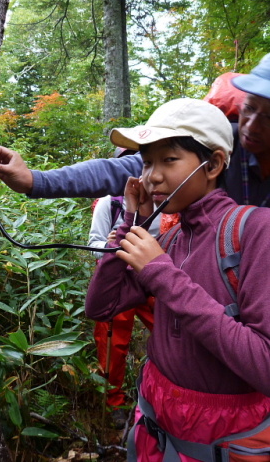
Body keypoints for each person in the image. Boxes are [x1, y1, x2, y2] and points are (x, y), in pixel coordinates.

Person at [85, 97, 270, 461]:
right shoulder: (170, 238)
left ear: (214, 164)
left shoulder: (256, 231)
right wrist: (129, 222)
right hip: (156, 423)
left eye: (169, 160)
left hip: (220, 437)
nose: (152, 176)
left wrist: (161, 273)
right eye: (147, 162)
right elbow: (101, 306)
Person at [0, 53, 270, 209]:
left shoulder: (220, 147)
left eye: (268, 116)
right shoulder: (224, 142)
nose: (252, 125)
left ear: (216, 165)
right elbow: (116, 171)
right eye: (248, 108)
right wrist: (34, 180)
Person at [88, 147, 155, 429]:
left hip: (150, 281)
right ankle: (113, 401)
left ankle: (163, 388)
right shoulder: (109, 203)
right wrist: (114, 247)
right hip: (116, 284)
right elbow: (93, 245)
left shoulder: (161, 201)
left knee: (174, 329)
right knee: (113, 345)